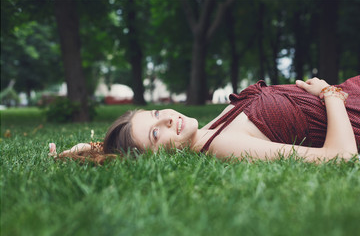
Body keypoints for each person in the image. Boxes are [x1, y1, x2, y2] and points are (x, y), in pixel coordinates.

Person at [49, 76, 360, 164]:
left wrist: (90, 148)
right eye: (156, 135)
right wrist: (330, 94)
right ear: (156, 157)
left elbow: (124, 149)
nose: (168, 120)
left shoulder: (207, 130)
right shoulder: (218, 145)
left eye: (157, 115)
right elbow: (341, 157)